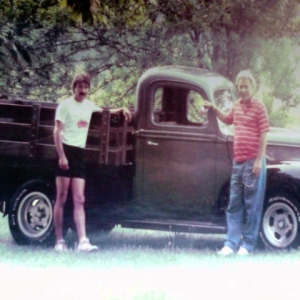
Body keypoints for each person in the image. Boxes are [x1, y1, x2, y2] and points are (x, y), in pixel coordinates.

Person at [53, 72, 132, 252]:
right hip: (66, 152)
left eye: (86, 87)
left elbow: (106, 111)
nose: (83, 90)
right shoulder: (64, 106)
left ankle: (83, 241)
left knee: (79, 199)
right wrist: (62, 156)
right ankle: (59, 241)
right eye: (80, 87)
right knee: (62, 198)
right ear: (74, 87)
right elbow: (57, 132)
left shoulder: (89, 106)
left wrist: (121, 109)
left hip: (79, 154)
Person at [204, 70, 269, 256]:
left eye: (246, 86)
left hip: (252, 163)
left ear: (252, 87)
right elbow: (227, 119)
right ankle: (231, 243)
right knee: (234, 203)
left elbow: (264, 133)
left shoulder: (259, 107)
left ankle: (247, 245)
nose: (242, 90)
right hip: (238, 163)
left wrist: (258, 160)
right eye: (240, 86)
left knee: (252, 204)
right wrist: (213, 107)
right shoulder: (237, 105)